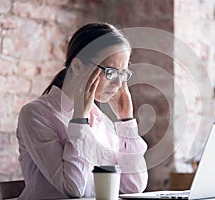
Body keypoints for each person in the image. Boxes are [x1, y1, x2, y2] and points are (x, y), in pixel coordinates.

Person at [16, 22, 148, 199]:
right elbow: (74, 189)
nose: (118, 84)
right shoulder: (35, 114)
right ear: (77, 67)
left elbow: (134, 187)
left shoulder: (100, 119)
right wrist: (80, 122)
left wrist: (126, 121)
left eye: (122, 74)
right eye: (110, 71)